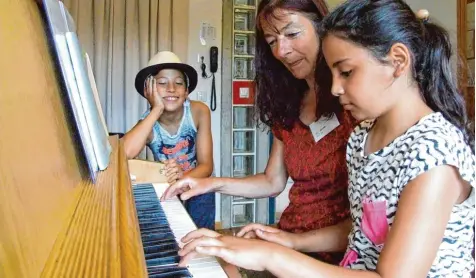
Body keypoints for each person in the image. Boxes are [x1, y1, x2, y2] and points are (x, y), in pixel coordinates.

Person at [175, 1, 476, 277]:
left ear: (398, 60)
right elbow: (362, 229)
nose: (334, 88)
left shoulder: (434, 153)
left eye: (346, 72)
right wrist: (291, 241)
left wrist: (271, 256)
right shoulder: (363, 137)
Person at [162, 0, 355, 265]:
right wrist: (210, 183)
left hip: (335, 257)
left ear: (323, 27)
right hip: (287, 241)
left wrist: (285, 244)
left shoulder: (354, 101)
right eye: (272, 41)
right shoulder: (291, 102)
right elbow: (272, 181)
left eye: (292, 34)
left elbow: (368, 224)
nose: (282, 51)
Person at [123, 51, 216, 230]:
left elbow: (206, 166)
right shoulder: (148, 124)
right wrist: (156, 108)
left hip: (197, 182)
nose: (171, 88)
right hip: (168, 186)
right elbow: (125, 153)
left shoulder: (199, 112)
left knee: (202, 233)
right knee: (173, 235)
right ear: (148, 90)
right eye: (162, 83)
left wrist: (182, 178)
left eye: (179, 83)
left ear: (187, 91)